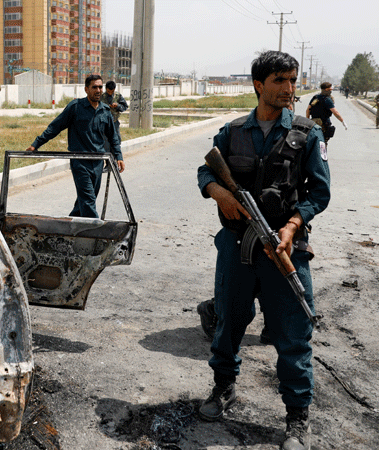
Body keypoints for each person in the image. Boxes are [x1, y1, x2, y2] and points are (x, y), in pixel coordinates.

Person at [196, 51, 330, 450]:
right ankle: (223, 388)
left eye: (293, 80)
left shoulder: (308, 134)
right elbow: (205, 172)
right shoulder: (232, 131)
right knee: (229, 323)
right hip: (237, 247)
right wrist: (219, 192)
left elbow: (319, 193)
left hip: (285, 249)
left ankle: (296, 418)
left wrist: (292, 225)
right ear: (259, 84)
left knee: (293, 334)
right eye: (280, 81)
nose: (290, 89)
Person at [26, 74, 125, 218]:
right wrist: (36, 144)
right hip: (80, 162)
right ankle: (95, 233)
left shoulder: (105, 111)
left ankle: (69, 227)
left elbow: (113, 137)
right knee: (89, 199)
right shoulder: (75, 107)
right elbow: (55, 127)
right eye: (94, 87)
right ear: (86, 89)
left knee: (84, 201)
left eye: (100, 87)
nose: (98, 90)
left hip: (98, 162)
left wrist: (118, 156)